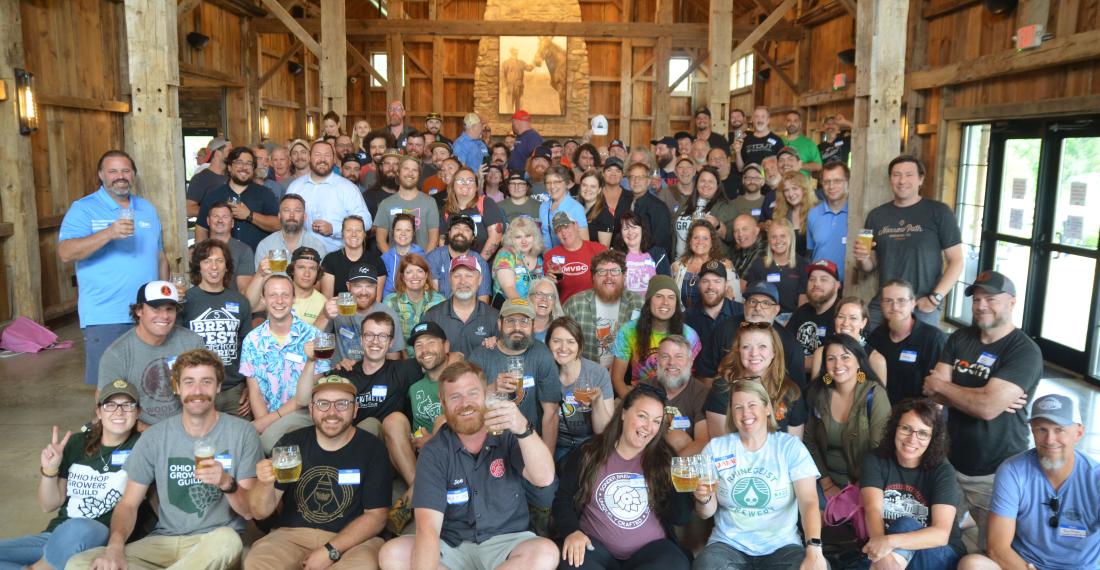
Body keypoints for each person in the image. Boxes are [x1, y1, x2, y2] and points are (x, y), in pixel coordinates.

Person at [68, 349, 263, 570]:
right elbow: (128, 504)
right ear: (177, 387)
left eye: (206, 382)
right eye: (189, 382)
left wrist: (226, 483)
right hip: (163, 543)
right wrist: (115, 547)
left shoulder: (242, 433)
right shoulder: (155, 437)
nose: (197, 391)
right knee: (79, 564)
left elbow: (249, 511)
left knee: (228, 541)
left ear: (218, 386)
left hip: (212, 542)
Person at [376, 361, 559, 570]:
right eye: (455, 397)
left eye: (473, 393)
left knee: (546, 553)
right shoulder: (434, 451)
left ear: (485, 396)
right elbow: (428, 529)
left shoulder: (508, 434)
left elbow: (544, 477)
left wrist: (523, 428)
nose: (465, 403)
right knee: (393, 554)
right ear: (443, 403)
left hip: (506, 542)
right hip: (452, 546)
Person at [921, 270, 1042, 551]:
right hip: (951, 461)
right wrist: (982, 398)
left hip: (997, 472)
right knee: (939, 540)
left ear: (1012, 302)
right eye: (976, 299)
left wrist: (952, 390)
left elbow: (985, 408)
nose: (981, 305)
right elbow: (932, 390)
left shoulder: (1024, 351)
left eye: (990, 299)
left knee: (994, 551)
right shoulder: (959, 338)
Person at [245, 375, 392, 569]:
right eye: (323, 404)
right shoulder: (291, 443)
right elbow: (260, 512)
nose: (332, 412)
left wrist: (331, 550)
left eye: (342, 404)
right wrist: (264, 483)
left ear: (355, 409)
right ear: (311, 408)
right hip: (292, 536)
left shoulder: (372, 448)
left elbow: (377, 517)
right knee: (256, 563)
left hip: (352, 540)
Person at [0, 381, 140, 570]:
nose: (119, 412)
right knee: (72, 528)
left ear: (138, 412)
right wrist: (50, 470)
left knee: (81, 526)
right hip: (57, 537)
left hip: (100, 539)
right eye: (110, 405)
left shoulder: (143, 445)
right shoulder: (77, 443)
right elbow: (48, 505)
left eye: (128, 405)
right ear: (99, 412)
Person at [552, 384, 692, 570]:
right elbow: (562, 500)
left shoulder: (665, 459)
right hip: (596, 548)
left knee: (676, 564)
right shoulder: (589, 452)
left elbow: (681, 517)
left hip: (651, 551)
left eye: (656, 421)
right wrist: (572, 531)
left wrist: (683, 486)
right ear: (624, 413)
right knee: (573, 563)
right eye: (642, 416)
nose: (648, 427)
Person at [60, 150, 169, 385]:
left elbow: (160, 256)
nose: (120, 176)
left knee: (150, 382)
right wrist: (109, 233)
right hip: (106, 314)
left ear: (133, 175)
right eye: (113, 171)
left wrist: (164, 299)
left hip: (147, 313)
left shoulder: (147, 208)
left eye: (125, 171)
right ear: (101, 175)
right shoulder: (84, 208)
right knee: (110, 388)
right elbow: (66, 252)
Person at [693, 379, 827, 570]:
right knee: (706, 565)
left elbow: (809, 502)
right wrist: (703, 499)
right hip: (728, 546)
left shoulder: (790, 447)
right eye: (738, 407)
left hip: (783, 547)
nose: (745, 413)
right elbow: (706, 512)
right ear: (732, 413)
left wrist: (814, 549)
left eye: (752, 405)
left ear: (767, 408)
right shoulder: (716, 448)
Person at [957, 393, 1100, 570]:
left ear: (1079, 433)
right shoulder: (1013, 470)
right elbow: (997, 549)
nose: (1050, 440)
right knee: (972, 564)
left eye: (1059, 430)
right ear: (1032, 430)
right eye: (1042, 429)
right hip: (1023, 565)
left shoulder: (1095, 478)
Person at [854, 155, 963, 328]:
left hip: (922, 304)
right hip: (884, 303)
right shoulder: (876, 216)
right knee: (866, 342)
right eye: (896, 175)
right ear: (890, 179)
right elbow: (868, 266)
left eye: (909, 174)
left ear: (921, 179)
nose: (902, 180)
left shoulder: (939, 212)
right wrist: (862, 258)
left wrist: (935, 298)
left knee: (919, 346)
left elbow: (957, 261)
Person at [860, 399, 965, 570]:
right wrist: (883, 554)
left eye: (923, 433)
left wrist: (888, 541)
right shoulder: (875, 460)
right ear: (895, 428)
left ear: (932, 439)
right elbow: (873, 511)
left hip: (938, 553)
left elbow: (941, 535)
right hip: (890, 552)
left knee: (905, 524)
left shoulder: (943, 470)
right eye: (906, 428)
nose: (912, 439)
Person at [98, 281, 205, 427]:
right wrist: (149, 433)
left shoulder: (192, 342)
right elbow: (105, 405)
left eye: (170, 309)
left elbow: (205, 391)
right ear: (139, 310)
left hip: (189, 426)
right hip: (140, 430)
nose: (165, 315)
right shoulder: (117, 353)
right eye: (156, 308)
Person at [804, 334, 891, 500]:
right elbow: (809, 441)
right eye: (831, 359)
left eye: (845, 357)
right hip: (822, 481)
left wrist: (858, 488)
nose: (838, 364)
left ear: (859, 362)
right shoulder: (818, 393)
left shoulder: (874, 394)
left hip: (866, 483)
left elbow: (880, 447)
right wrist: (826, 483)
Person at [239, 274, 318, 452]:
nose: (279, 301)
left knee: (267, 443)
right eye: (273, 295)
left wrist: (266, 422)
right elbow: (255, 392)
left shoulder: (313, 337)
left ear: (294, 298)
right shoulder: (252, 340)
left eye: (285, 295)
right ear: (263, 299)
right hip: (266, 417)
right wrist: (264, 422)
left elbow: (309, 393)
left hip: (303, 414)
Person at [470, 298, 562, 450]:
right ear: (499, 324)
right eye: (510, 321)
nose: (517, 327)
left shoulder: (542, 355)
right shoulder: (480, 356)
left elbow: (551, 412)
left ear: (533, 325)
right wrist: (493, 388)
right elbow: (469, 404)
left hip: (529, 442)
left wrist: (546, 458)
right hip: (489, 444)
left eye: (524, 321)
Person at [183, 240, 252, 417]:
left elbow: (249, 349)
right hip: (197, 389)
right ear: (198, 266)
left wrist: (249, 387)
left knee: (240, 435)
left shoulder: (240, 301)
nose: (214, 267)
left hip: (234, 391)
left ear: (227, 266)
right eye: (207, 261)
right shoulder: (185, 301)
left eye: (219, 261)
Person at [705, 322, 807, 439]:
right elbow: (722, 445)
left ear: (774, 352)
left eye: (762, 346)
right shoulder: (723, 388)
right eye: (746, 347)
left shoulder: (790, 392)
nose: (754, 353)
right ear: (738, 351)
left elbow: (794, 445)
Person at [697, 281, 806, 385]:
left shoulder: (790, 344)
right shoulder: (724, 329)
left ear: (776, 310)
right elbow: (706, 374)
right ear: (744, 305)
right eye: (752, 301)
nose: (757, 308)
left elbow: (794, 389)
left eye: (766, 303)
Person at [610, 276, 701, 396]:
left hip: (678, 399)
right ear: (649, 301)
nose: (665, 302)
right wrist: (631, 402)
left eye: (671, 297)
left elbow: (693, 379)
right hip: (640, 396)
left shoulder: (690, 335)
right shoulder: (628, 331)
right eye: (659, 296)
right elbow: (617, 378)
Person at [866, 279, 946, 405]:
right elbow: (862, 375)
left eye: (901, 300)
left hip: (917, 413)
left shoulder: (933, 339)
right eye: (888, 301)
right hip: (880, 410)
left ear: (913, 303)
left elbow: (938, 393)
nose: (894, 307)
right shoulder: (876, 336)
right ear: (881, 304)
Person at [545, 317, 614, 461]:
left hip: (590, 445)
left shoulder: (598, 373)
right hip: (557, 444)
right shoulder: (544, 373)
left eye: (571, 342)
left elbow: (603, 431)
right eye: (557, 341)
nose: (563, 348)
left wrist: (597, 401)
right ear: (548, 343)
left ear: (580, 345)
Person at [286, 140, 373, 254]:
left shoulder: (348, 188)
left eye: (327, 155)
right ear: (309, 157)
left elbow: (366, 222)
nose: (322, 159)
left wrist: (334, 229)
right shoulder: (295, 187)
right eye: (318, 154)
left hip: (337, 257)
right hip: (301, 257)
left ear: (334, 160)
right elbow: (284, 220)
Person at [562, 250, 643, 370]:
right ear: (593, 277)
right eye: (602, 271)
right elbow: (562, 344)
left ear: (624, 276)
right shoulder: (575, 304)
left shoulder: (638, 303)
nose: (608, 276)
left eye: (615, 271)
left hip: (627, 374)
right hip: (585, 374)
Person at [194, 146, 280, 250]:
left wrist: (249, 215)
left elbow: (278, 225)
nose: (244, 167)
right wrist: (202, 254)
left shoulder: (265, 194)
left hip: (258, 258)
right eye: (239, 162)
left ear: (253, 168)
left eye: (249, 163)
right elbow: (201, 229)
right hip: (222, 258)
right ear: (230, 167)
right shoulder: (214, 195)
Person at [642, 335, 711, 456]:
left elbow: (702, 442)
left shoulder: (701, 392)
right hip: (647, 452)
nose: (671, 362)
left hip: (682, 458)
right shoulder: (643, 389)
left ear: (690, 361)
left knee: (677, 438)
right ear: (657, 361)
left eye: (679, 357)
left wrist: (670, 466)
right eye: (665, 356)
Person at [422, 255, 501, 356]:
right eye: (457, 276)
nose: (463, 281)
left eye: (469, 276)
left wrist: (498, 344)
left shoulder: (494, 317)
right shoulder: (432, 316)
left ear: (480, 279)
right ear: (449, 279)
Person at [808, 297, 888, 385]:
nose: (845, 323)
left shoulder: (876, 360)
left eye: (853, 318)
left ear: (863, 323)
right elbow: (814, 391)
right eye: (841, 317)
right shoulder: (820, 353)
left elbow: (879, 393)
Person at [742, 218, 808, 321]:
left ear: (791, 237)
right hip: (763, 317)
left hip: (792, 319)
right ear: (768, 239)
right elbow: (751, 299)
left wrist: (793, 323)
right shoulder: (758, 264)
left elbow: (802, 304)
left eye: (783, 236)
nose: (778, 241)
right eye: (774, 237)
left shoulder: (802, 265)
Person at [374, 155, 441, 252]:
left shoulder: (430, 202)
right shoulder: (386, 204)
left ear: (419, 174)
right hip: (395, 260)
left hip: (423, 260)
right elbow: (380, 240)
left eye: (414, 170)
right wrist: (393, 259)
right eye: (406, 169)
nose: (410, 173)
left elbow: (434, 239)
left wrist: (424, 260)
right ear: (398, 172)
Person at [787, 259, 842, 372]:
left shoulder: (843, 316)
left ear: (837, 285)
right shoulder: (802, 311)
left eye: (823, 279)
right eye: (812, 279)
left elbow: (832, 363)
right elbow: (783, 345)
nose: (816, 284)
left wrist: (791, 361)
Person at [672, 166, 738, 258]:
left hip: (709, 263)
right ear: (696, 184)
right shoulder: (685, 204)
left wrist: (718, 225)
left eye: (710, 181)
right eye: (702, 181)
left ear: (718, 185)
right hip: (680, 261)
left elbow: (732, 236)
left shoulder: (727, 207)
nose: (706, 184)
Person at [671, 220, 737, 311]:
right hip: (683, 318)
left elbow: (736, 301)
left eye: (705, 238)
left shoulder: (726, 266)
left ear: (712, 242)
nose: (700, 242)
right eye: (696, 237)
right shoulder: (677, 266)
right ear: (690, 241)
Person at [544, 211, 608, 304]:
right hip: (567, 308)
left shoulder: (599, 250)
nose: (563, 232)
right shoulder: (551, 256)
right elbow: (550, 291)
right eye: (559, 230)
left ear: (576, 225)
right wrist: (550, 282)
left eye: (566, 227)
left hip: (596, 305)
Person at [441, 167, 505, 259]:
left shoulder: (486, 203)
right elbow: (442, 238)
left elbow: (495, 237)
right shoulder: (446, 208)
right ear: (452, 186)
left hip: (482, 262)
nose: (465, 184)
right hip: (453, 264)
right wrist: (448, 262)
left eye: (470, 180)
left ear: (476, 186)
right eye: (460, 180)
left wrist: (478, 263)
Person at [384, 253, 445, 351]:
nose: (415, 276)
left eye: (419, 271)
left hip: (431, 355)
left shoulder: (439, 301)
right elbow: (386, 337)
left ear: (426, 275)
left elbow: (443, 336)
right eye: (409, 272)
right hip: (401, 356)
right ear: (403, 277)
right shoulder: (390, 302)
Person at [426, 215, 493, 303]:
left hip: (471, 310)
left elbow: (483, 301)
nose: (461, 232)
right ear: (449, 233)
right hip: (439, 309)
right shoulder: (433, 257)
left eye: (466, 229)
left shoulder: (480, 263)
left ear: (473, 237)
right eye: (456, 227)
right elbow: (433, 298)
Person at [254, 193, 330, 269]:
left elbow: (321, 276)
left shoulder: (317, 247)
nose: (292, 215)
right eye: (286, 210)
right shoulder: (266, 246)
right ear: (279, 216)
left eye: (297, 210)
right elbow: (260, 276)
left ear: (304, 217)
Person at [320, 215, 387, 299]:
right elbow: (327, 300)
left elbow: (377, 300)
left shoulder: (376, 261)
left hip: (369, 308)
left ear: (364, 234)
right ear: (342, 234)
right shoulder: (330, 260)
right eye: (349, 230)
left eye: (358, 230)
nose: (354, 234)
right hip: (338, 307)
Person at [806, 161, 850, 281]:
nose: (831, 186)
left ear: (848, 182)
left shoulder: (856, 214)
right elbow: (811, 252)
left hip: (851, 285)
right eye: (826, 182)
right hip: (820, 285)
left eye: (837, 181)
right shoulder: (813, 214)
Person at [613, 211, 671, 296]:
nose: (630, 232)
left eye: (634, 227)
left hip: (651, 303)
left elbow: (667, 286)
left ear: (642, 229)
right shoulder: (615, 257)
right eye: (625, 229)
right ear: (620, 234)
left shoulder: (657, 255)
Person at [202, 202, 256, 292]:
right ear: (208, 221)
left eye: (225, 217)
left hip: (233, 300)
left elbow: (244, 290)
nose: (220, 220)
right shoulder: (198, 249)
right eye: (215, 216)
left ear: (232, 223)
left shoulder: (244, 250)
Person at [493, 215, 545, 305]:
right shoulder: (506, 255)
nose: (524, 241)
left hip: (534, 309)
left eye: (528, 236)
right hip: (510, 309)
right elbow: (509, 288)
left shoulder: (539, 258)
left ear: (535, 237)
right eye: (518, 237)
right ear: (511, 239)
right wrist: (525, 309)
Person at [624, 162, 673, 253]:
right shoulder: (624, 203)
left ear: (648, 181)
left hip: (649, 259)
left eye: (641, 177)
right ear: (628, 180)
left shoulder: (658, 207)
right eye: (632, 177)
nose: (636, 181)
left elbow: (661, 243)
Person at [770, 170, 818, 257]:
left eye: (795, 188)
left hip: (813, 263)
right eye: (786, 190)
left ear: (804, 189)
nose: (791, 194)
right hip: (788, 263)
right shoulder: (781, 213)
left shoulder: (817, 211)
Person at [540, 165, 589, 249]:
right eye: (548, 183)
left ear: (566, 183)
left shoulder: (576, 208)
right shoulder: (543, 206)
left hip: (569, 256)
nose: (552, 186)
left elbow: (585, 244)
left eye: (556, 182)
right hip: (547, 255)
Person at [380, 213, 427, 299]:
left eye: (407, 230)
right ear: (393, 232)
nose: (403, 233)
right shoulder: (385, 258)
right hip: (389, 305)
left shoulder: (423, 258)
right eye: (398, 230)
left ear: (413, 233)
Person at [186, 138, 231, 217]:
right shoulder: (201, 178)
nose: (233, 155)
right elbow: (189, 210)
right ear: (217, 153)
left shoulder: (231, 176)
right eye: (229, 151)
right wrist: (216, 212)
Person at [736, 105, 784, 170]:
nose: (760, 120)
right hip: (750, 176)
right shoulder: (746, 140)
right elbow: (740, 168)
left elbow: (782, 166)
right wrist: (738, 152)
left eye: (763, 116)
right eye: (757, 116)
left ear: (768, 120)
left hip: (768, 176)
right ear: (753, 120)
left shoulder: (777, 140)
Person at [576, 170, 615, 247]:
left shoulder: (605, 216)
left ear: (599, 190)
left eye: (593, 186)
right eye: (584, 185)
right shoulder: (576, 209)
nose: (588, 189)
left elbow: (604, 249)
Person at [729, 213, 767, 278]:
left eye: (745, 229)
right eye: (736, 231)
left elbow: (744, 281)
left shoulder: (763, 250)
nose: (740, 234)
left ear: (756, 230)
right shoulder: (741, 249)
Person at [529, 277, 565, 343]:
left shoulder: (561, 329)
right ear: (529, 297)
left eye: (550, 296)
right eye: (539, 294)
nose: (544, 299)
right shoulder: (518, 326)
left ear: (554, 302)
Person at [508, 109, 545, 173]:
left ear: (516, 122)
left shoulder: (533, 137)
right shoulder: (520, 136)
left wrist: (526, 175)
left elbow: (536, 160)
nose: (512, 125)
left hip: (524, 176)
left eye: (512, 122)